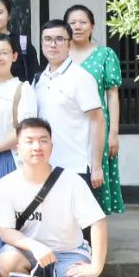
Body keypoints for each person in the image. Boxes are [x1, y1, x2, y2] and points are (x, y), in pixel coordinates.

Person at [0, 117, 108, 277]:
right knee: (7, 260)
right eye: (29, 141)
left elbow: (98, 222)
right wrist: (35, 246)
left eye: (43, 140)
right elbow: (5, 230)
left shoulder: (72, 181)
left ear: (52, 147)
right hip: (29, 252)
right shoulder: (6, 184)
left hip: (68, 253)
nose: (37, 146)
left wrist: (96, 267)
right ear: (18, 148)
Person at [0, 34, 37, 277]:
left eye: (4, 52)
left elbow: (24, 129)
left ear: (14, 56)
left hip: (9, 159)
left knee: (8, 218)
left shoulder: (23, 89)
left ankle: (6, 275)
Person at [65, 4, 125, 215]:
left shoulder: (105, 54)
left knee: (95, 175)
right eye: (72, 23)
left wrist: (113, 133)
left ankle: (94, 228)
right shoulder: (60, 54)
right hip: (66, 127)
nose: (77, 27)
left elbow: (112, 95)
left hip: (96, 125)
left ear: (92, 26)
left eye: (83, 22)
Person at [34, 20, 105, 193]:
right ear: (42, 44)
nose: (53, 44)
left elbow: (98, 120)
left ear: (69, 44)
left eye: (59, 39)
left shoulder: (81, 78)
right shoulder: (39, 79)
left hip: (75, 167)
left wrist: (96, 166)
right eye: (47, 39)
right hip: (45, 165)